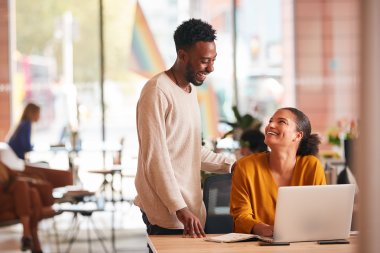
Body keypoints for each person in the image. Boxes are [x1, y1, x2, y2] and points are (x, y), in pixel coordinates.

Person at [134, 18, 235, 241]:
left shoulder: (189, 91)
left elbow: (189, 150)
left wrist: (232, 165)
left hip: (189, 211)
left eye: (213, 60)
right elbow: (155, 159)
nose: (211, 68)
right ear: (182, 55)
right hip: (167, 213)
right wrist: (180, 208)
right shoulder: (157, 91)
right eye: (204, 61)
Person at [230, 107, 326, 237]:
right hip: (256, 246)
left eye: (281, 122)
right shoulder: (245, 167)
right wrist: (259, 228)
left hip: (303, 243)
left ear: (297, 136)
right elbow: (240, 216)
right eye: (270, 121)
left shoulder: (311, 166)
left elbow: (319, 213)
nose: (270, 125)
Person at [0, 161, 46, 253]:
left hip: (9, 198)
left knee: (32, 192)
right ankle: (31, 238)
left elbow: (14, 175)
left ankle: (27, 236)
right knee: (25, 189)